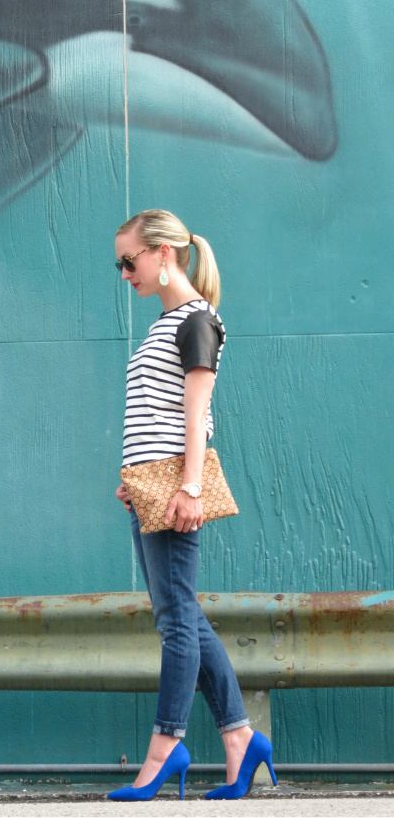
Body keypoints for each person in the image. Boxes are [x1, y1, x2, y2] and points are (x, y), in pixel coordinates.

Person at [109, 209, 277, 802]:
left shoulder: (197, 321)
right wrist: (136, 477)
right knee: (180, 614)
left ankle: (164, 748)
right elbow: (154, 412)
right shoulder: (165, 324)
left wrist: (191, 487)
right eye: (120, 263)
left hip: (176, 484)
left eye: (130, 260)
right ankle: (240, 740)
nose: (124, 272)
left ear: (164, 254)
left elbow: (196, 414)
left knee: (176, 619)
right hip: (149, 482)